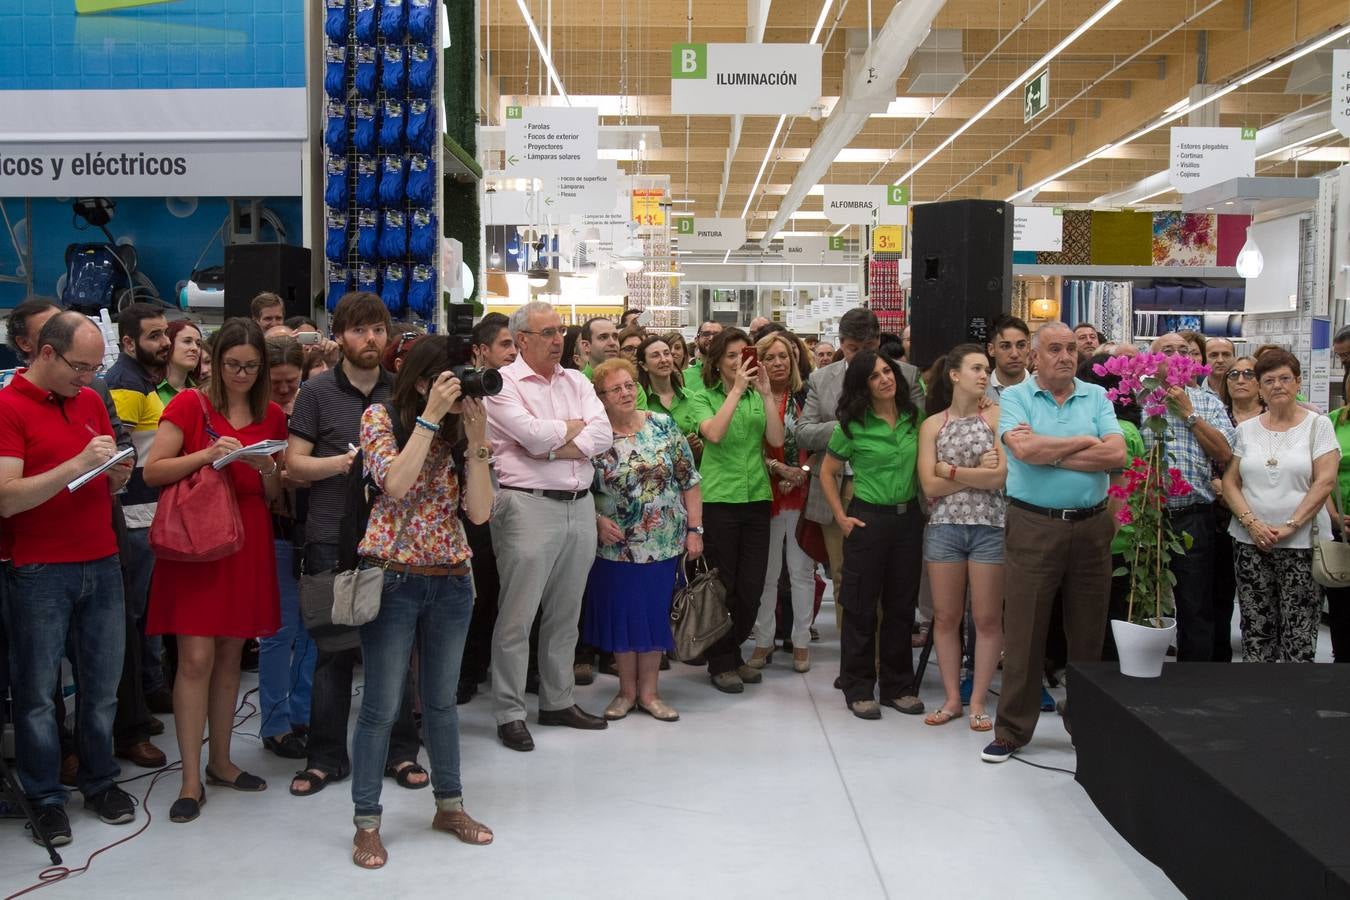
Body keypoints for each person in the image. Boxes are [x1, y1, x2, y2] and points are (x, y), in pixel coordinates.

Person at [349, 338, 496, 870]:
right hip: (393, 579)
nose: (464, 386)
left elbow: (478, 515)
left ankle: (450, 806)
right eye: (452, 378)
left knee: (441, 704)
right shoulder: (379, 417)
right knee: (381, 707)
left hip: (452, 578)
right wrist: (430, 419)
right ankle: (367, 822)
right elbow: (394, 483)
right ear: (420, 382)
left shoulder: (463, 428)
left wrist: (477, 442)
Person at [0, 311, 136, 844]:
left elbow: (101, 483)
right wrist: (79, 464)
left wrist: (115, 475)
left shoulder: (88, 402)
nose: (88, 377)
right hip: (38, 568)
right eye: (80, 366)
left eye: (95, 366)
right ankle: (45, 795)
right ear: (45, 353)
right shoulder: (9, 407)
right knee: (36, 692)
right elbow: (8, 499)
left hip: (100, 557)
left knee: (102, 687)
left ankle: (100, 780)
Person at [144, 317, 287, 822]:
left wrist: (268, 469)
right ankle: (188, 779)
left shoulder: (271, 415)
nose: (242, 374)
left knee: (230, 657)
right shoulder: (190, 404)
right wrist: (206, 454)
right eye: (232, 365)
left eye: (251, 366)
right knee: (195, 660)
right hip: (197, 545)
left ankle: (221, 762)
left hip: (245, 538)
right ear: (214, 362)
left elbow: (273, 494)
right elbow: (153, 470)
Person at [285, 293, 425, 796]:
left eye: (379, 330)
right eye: (361, 330)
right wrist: (345, 464)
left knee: (396, 651)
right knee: (333, 652)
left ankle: (401, 751)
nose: (372, 340)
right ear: (340, 336)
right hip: (331, 536)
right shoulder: (317, 393)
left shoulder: (403, 392)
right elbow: (293, 465)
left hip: (394, 540)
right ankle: (325, 756)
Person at [984, 322, 1125, 763]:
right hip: (1033, 525)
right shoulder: (1015, 397)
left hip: (1091, 527)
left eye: (1070, 349)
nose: (1066, 356)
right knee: (1025, 632)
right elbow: (1023, 453)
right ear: (1035, 357)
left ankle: (1082, 722)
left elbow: (1116, 455)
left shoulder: (1097, 396)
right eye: (1054, 349)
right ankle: (1011, 730)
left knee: (1087, 633)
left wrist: (1054, 450)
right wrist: (1085, 442)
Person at [485, 301, 613, 751]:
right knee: (518, 616)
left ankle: (558, 701)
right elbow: (530, 436)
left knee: (566, 613)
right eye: (547, 333)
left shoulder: (576, 380)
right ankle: (509, 711)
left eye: (560, 331)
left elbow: (602, 436)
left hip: (579, 505)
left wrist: (554, 445)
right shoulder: (501, 384)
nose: (559, 339)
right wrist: (563, 434)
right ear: (521, 340)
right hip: (527, 507)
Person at [585, 359, 703, 721]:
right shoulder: (595, 436)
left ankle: (650, 694)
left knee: (653, 618)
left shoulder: (663, 425)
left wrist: (695, 530)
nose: (625, 393)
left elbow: (689, 480)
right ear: (600, 397)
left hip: (664, 542)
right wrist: (596, 520)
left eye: (629, 385)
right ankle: (625, 693)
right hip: (616, 547)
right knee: (623, 617)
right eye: (615, 388)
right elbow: (577, 488)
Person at [796, 309, 924, 634]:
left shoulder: (905, 376)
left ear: (879, 342)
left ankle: (884, 660)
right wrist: (850, 426)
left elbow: (921, 429)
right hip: (838, 487)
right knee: (845, 577)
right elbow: (803, 432)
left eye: (869, 346)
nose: (863, 355)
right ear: (842, 345)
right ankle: (853, 659)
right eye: (854, 349)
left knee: (891, 583)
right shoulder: (821, 379)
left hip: (894, 490)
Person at [819, 350, 925, 719]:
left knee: (901, 606)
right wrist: (840, 516)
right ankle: (858, 686)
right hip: (867, 520)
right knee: (861, 606)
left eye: (888, 371)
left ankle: (898, 686)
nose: (886, 379)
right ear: (862, 386)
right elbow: (827, 472)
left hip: (909, 520)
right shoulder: (852, 424)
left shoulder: (914, 418)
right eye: (875, 376)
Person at [1222, 350, 1339, 663]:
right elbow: (1231, 483)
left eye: (1285, 378)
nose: (1277, 386)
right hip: (1251, 543)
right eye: (1268, 380)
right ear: (1259, 388)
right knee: (1255, 627)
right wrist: (1251, 522)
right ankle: (1257, 701)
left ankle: (1295, 702)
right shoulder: (1245, 430)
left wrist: (1291, 525)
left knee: (1299, 631)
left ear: (1298, 382)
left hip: (1303, 543)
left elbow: (1324, 481)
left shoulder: (1319, 425)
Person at [688, 327, 784, 693]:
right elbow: (713, 433)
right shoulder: (701, 396)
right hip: (718, 500)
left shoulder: (756, 395)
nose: (736, 361)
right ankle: (721, 660)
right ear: (716, 362)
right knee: (722, 586)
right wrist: (738, 391)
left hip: (757, 498)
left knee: (752, 587)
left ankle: (733, 651)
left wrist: (763, 393)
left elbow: (775, 440)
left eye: (741, 354)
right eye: (729, 356)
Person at [917, 345, 1007, 730]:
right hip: (944, 529)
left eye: (986, 369)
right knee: (946, 616)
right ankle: (953, 698)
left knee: (986, 618)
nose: (984, 375)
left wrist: (950, 471)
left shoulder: (997, 418)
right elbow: (927, 483)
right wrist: (972, 472)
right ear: (954, 375)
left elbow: (998, 478)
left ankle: (978, 702)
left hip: (990, 527)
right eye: (976, 368)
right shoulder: (933, 425)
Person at [103, 303, 175, 765]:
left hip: (149, 511)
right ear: (128, 342)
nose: (165, 342)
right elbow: (123, 457)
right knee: (132, 619)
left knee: (145, 615)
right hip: (133, 516)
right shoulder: (126, 381)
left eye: (165, 333)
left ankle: (147, 698)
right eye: (154, 336)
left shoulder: (146, 376)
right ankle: (135, 711)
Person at [1145, 333, 1236, 662]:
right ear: (1151, 358)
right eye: (1166, 350)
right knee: (1142, 601)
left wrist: (1188, 413)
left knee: (1195, 606)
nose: (1175, 356)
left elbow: (1224, 452)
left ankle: (1193, 683)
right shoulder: (1138, 398)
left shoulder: (1207, 401)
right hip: (1145, 518)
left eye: (1183, 351)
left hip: (1193, 516)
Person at [257, 336, 314, 759]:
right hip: (277, 529)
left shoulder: (314, 405)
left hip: (315, 529)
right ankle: (275, 722)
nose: (283, 389)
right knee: (279, 632)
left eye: (290, 381)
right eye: (274, 382)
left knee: (313, 632)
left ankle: (304, 713)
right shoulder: (263, 415)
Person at [458, 313, 516, 704]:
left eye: (515, 345)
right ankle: (468, 670)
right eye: (504, 345)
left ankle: (493, 668)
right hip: (473, 500)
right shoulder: (464, 389)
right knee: (476, 589)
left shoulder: (521, 388)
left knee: (501, 588)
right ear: (480, 350)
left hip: (512, 498)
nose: (513, 352)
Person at [747, 331, 813, 673]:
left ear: (794, 359)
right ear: (758, 362)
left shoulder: (807, 396)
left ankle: (801, 642)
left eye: (783, 356)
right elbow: (748, 445)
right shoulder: (750, 396)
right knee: (767, 574)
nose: (777, 363)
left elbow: (819, 443)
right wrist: (776, 467)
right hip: (764, 493)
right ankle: (762, 641)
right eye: (770, 357)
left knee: (801, 572)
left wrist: (800, 471)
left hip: (801, 494)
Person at [636, 334, 702, 454]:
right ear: (643, 365)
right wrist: (681, 448)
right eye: (656, 355)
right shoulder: (640, 401)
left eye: (667, 354)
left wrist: (699, 445)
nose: (664, 359)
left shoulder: (691, 397)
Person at [1324, 399, 1350, 662]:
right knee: (1342, 602)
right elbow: (1320, 474)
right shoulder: (1331, 421)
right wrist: (1333, 515)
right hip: (1341, 524)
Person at [159, 319, 204, 407]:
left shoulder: (203, 393)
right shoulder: (147, 388)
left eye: (198, 344)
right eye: (187, 341)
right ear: (168, 344)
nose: (195, 348)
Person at [986, 315, 1031, 400]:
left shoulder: (1044, 391)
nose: (1014, 354)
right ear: (991, 350)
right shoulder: (978, 393)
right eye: (1005, 346)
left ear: (1028, 348)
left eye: (1021, 345)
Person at [688, 320, 723, 386]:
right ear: (696, 340)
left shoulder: (731, 374)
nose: (711, 338)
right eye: (706, 334)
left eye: (717, 335)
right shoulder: (684, 376)